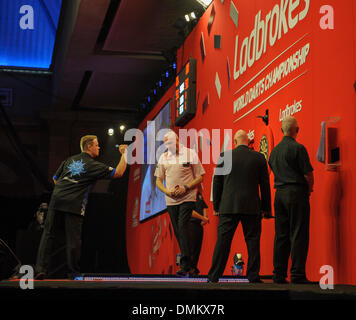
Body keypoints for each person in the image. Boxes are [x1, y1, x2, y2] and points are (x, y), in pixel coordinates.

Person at [35, 135, 128, 279]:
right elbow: (119, 172)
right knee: (73, 240)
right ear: (89, 147)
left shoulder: (69, 160)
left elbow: (55, 178)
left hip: (56, 199)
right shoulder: (93, 165)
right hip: (74, 203)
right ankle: (73, 272)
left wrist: (66, 189)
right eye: (96, 145)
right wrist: (124, 154)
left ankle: (40, 269)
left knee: (48, 235)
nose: (99, 147)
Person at [208, 130, 271, 283]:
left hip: (228, 206)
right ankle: (253, 276)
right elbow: (265, 185)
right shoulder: (259, 157)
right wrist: (266, 208)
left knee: (223, 243)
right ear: (249, 141)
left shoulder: (225, 156)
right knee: (253, 242)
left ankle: (214, 276)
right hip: (252, 206)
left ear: (235, 142)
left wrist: (217, 206)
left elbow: (217, 183)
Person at [268, 116, 314, 284]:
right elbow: (309, 174)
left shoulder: (274, 152)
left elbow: (271, 167)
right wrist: (309, 190)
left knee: (281, 235)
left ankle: (278, 275)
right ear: (297, 130)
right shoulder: (298, 148)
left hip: (279, 194)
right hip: (296, 193)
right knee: (298, 233)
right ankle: (297, 274)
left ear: (281, 131)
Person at [155, 131, 205, 276]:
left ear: (177, 140)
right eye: (166, 144)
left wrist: (186, 187)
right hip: (170, 200)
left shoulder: (190, 153)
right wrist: (166, 191)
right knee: (179, 231)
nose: (169, 146)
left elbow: (200, 176)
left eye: (171, 143)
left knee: (182, 226)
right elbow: (158, 180)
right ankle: (192, 265)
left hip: (187, 197)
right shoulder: (163, 157)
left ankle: (185, 265)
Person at [188, 190, 209, 277]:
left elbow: (204, 206)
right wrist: (203, 218)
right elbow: (190, 211)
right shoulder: (188, 194)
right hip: (191, 225)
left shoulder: (198, 194)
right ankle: (190, 270)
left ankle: (194, 268)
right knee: (191, 249)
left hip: (199, 225)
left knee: (197, 249)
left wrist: (205, 217)